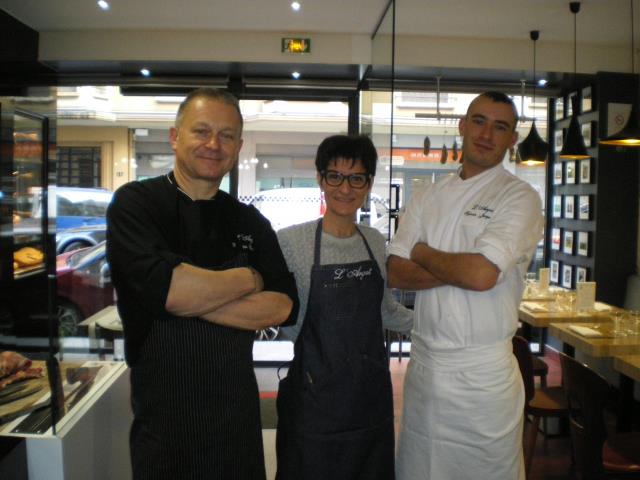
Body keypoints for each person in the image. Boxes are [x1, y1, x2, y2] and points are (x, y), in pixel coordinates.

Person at [106, 88, 299, 479]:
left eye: (227, 135)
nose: (214, 144)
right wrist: (248, 278)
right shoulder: (136, 204)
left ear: (239, 146)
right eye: (202, 131)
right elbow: (172, 292)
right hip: (165, 432)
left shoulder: (250, 221)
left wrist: (185, 296)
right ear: (175, 136)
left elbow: (282, 306)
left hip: (236, 430)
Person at [388, 91, 544, 479]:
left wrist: (421, 251)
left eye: (501, 126)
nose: (487, 133)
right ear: (462, 126)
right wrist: (466, 266)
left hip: (483, 378)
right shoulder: (428, 195)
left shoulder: (519, 197)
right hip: (425, 371)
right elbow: (394, 271)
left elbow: (480, 276)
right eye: (479, 121)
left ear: (513, 139)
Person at [275, 135, 413, 480]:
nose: (345, 188)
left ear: (368, 184)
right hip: (312, 399)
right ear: (320, 179)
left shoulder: (374, 240)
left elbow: (387, 311)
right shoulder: (291, 241)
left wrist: (444, 320)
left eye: (356, 178)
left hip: (368, 398)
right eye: (334, 176)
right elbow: (281, 317)